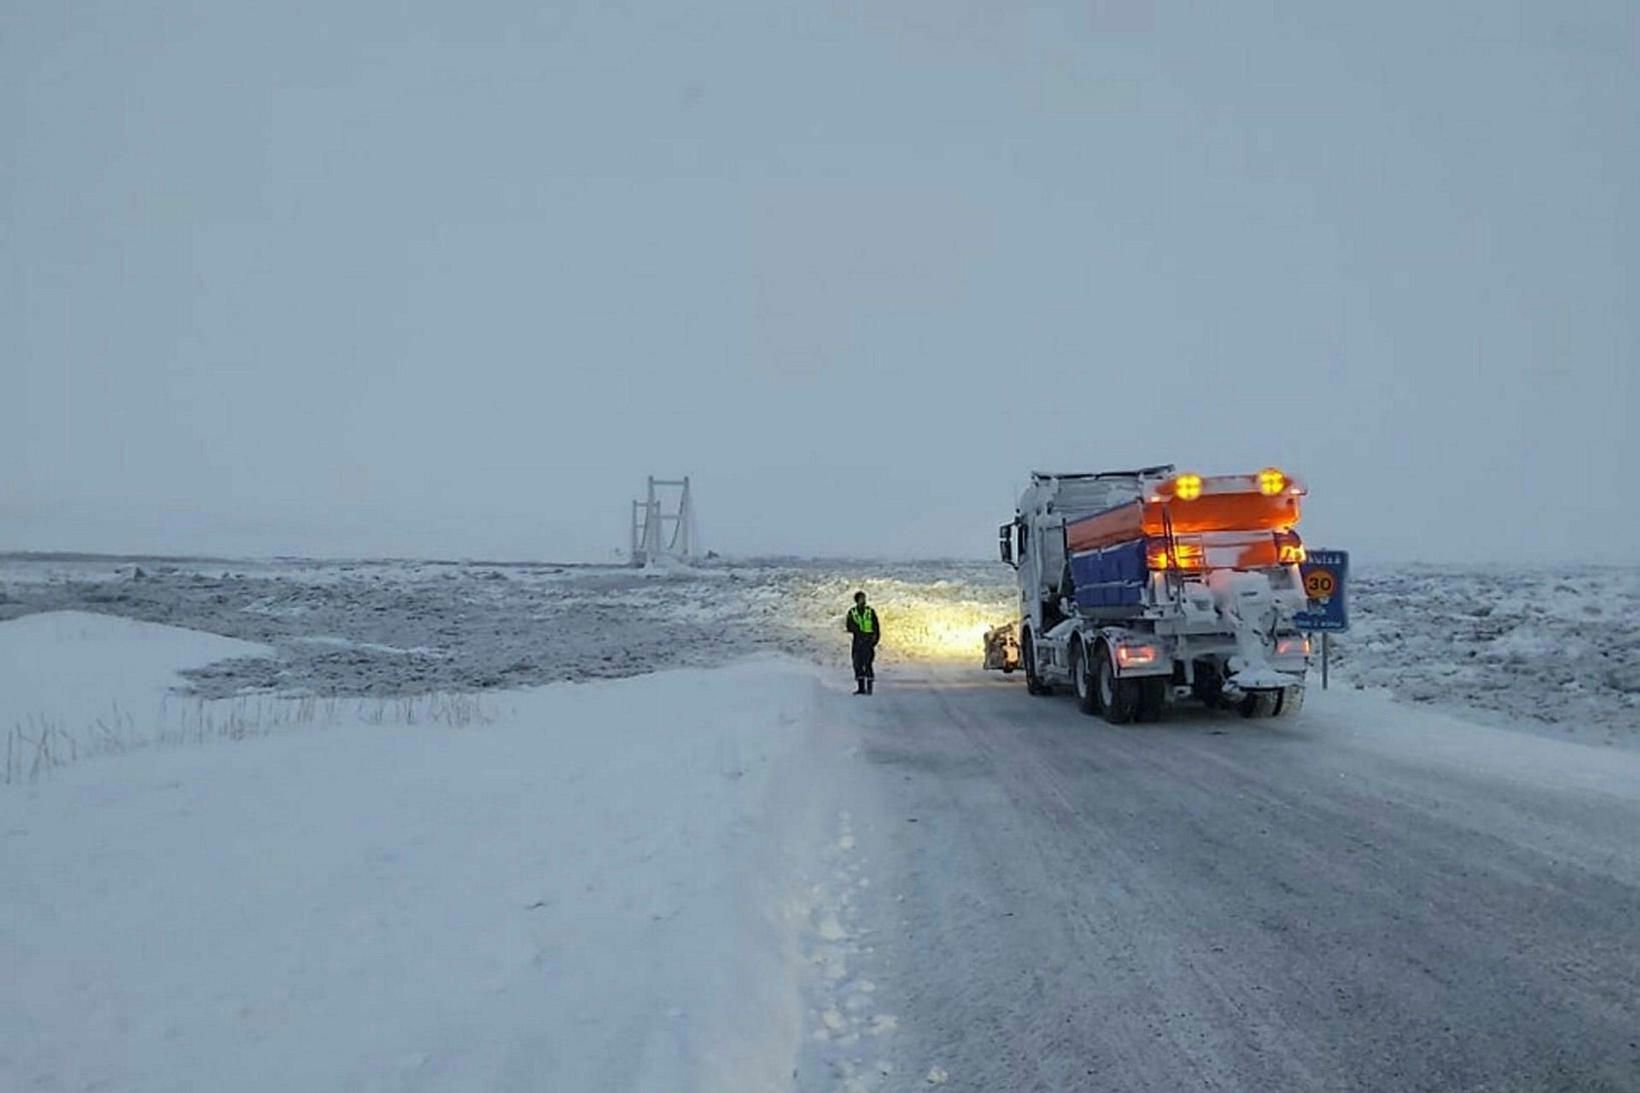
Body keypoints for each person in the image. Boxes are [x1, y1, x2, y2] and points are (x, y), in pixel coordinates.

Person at [845, 591, 881, 694]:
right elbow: (849, 625)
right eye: (861, 598)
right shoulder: (852, 612)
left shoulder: (870, 611)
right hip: (858, 640)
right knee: (857, 663)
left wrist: (875, 639)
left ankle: (869, 688)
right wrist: (855, 630)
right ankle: (861, 688)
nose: (863, 600)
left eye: (864, 598)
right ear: (856, 600)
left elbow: (876, 626)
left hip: (868, 640)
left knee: (868, 663)